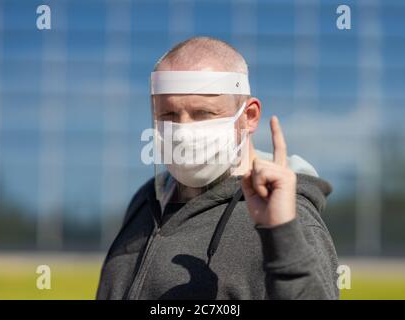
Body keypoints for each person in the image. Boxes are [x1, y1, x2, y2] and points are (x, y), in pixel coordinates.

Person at [97, 36, 339, 300]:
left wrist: (281, 235)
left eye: (203, 113)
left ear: (249, 117)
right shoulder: (146, 200)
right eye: (168, 115)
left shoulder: (287, 215)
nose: (183, 131)